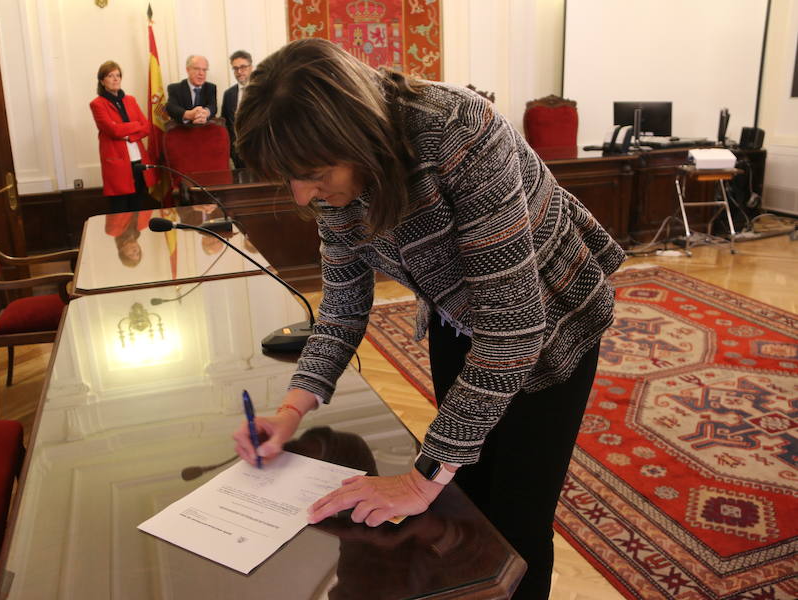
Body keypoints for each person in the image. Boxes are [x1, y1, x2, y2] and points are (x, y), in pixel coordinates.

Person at [231, 39, 624, 600]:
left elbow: (514, 327)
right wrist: (290, 411)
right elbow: (342, 306)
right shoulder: (332, 170)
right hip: (458, 316)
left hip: (552, 318)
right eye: (289, 178)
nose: (301, 195)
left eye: (313, 174)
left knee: (516, 524)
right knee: (467, 500)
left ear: (357, 137)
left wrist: (420, 479)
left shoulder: (458, 130)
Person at [89, 60, 156, 214]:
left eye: (118, 75)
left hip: (138, 159)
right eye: (110, 76)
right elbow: (113, 130)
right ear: (102, 81)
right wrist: (135, 125)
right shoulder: (97, 104)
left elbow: (146, 127)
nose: (115, 79)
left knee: (138, 207)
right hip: (117, 162)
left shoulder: (130, 100)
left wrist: (127, 134)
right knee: (120, 211)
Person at [222, 50, 253, 168]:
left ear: (251, 67)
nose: (239, 72)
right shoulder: (228, 94)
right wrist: (231, 151)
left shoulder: (264, 90)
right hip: (238, 154)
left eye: (243, 67)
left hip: (262, 151)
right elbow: (225, 124)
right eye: (235, 68)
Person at [166, 55, 217, 126]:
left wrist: (205, 113)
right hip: (183, 129)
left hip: (204, 128)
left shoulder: (210, 87)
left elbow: (213, 106)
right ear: (188, 70)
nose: (201, 73)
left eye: (204, 70)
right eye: (197, 69)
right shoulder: (175, 88)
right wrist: (188, 115)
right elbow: (171, 108)